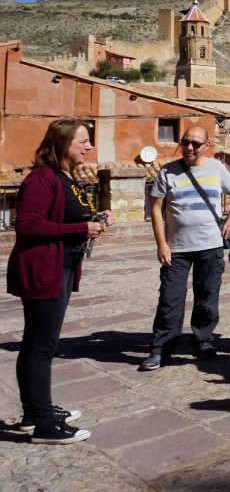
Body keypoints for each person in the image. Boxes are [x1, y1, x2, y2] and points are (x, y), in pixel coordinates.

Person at [7, 119, 109, 444]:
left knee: (38, 343)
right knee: (42, 347)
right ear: (63, 142)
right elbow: (28, 226)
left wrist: (94, 220)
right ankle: (45, 426)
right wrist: (80, 230)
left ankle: (33, 413)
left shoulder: (68, 177)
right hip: (43, 271)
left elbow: (67, 217)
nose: (89, 146)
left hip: (62, 268)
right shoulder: (41, 178)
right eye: (83, 140)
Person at [141, 125, 230, 370]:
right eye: (186, 142)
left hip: (210, 245)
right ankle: (160, 349)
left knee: (207, 296)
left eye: (196, 143)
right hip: (177, 247)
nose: (190, 147)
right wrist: (161, 243)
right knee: (170, 298)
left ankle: (202, 340)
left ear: (207, 145)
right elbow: (156, 208)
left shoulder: (217, 168)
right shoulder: (168, 171)